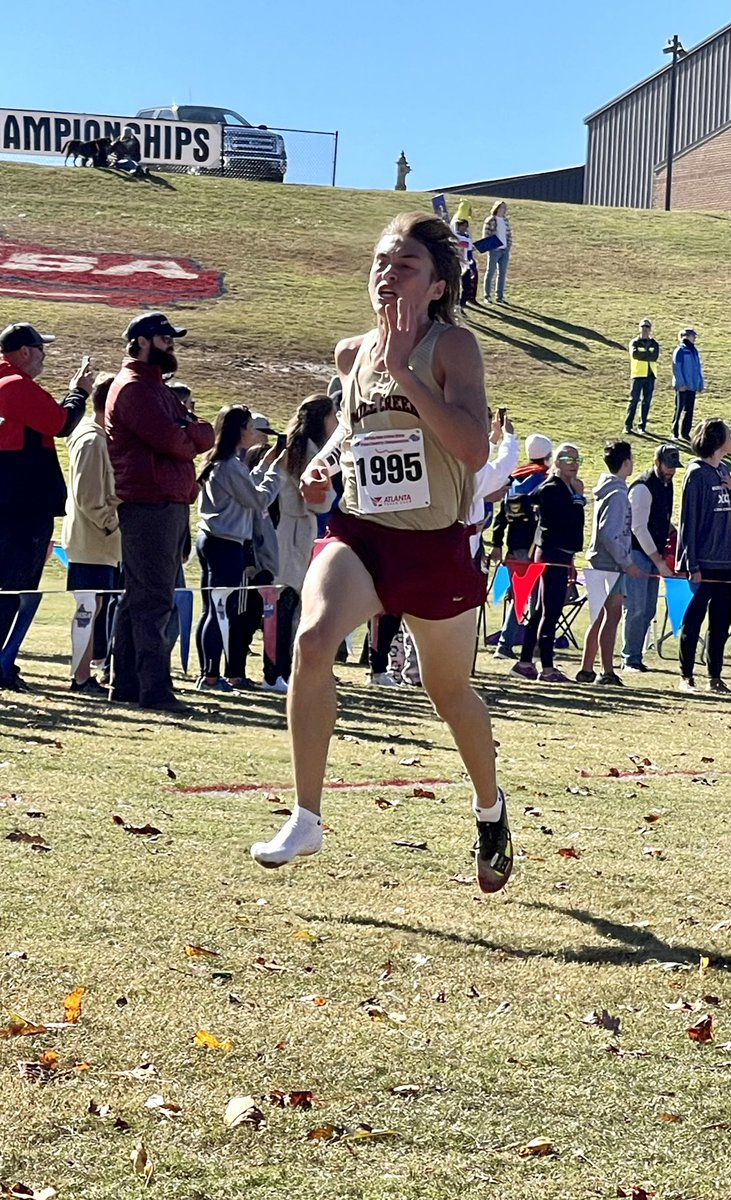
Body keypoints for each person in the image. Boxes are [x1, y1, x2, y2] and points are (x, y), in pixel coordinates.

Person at [250, 211, 512, 896]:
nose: (387, 275)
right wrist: (325, 466)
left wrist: (404, 368)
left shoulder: (452, 346)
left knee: (446, 692)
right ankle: (306, 814)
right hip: (362, 532)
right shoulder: (351, 353)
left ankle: (490, 812)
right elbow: (358, 424)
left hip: (434, 546)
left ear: (435, 286)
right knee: (311, 642)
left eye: (405, 266)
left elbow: (473, 449)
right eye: (380, 262)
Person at [105, 312, 214, 713]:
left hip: (162, 501)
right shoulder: (136, 388)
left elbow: (200, 432)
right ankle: (153, 689)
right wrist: (189, 432)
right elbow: (179, 440)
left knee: (141, 597)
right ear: (144, 340)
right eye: (167, 339)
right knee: (153, 599)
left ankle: (128, 684)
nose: (172, 346)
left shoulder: (152, 387)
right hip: (152, 502)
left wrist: (189, 432)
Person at [0, 322, 92, 691]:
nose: (44, 356)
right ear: (24, 352)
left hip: (12, 504)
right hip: (22, 508)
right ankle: (4, 664)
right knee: (17, 590)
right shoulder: (16, 386)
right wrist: (78, 394)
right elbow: (60, 422)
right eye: (40, 349)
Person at [195, 407, 283, 692]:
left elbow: (243, 489)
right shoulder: (230, 465)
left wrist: (264, 465)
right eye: (250, 427)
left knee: (213, 607)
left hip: (212, 540)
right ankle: (210, 676)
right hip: (226, 544)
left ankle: (209, 672)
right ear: (239, 430)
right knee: (221, 608)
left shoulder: (221, 461)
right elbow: (257, 500)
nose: (254, 433)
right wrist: (275, 475)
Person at [61, 373, 121, 693]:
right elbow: (88, 496)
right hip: (91, 540)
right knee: (88, 607)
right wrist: (112, 523)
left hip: (100, 542)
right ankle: (80, 677)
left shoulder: (97, 436)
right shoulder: (91, 438)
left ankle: (84, 674)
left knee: (94, 606)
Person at [273, 393, 338, 687]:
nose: (336, 422)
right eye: (332, 416)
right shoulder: (311, 454)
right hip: (297, 531)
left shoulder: (291, 447)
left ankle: (283, 668)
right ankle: (279, 670)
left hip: (288, 530)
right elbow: (317, 502)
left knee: (287, 601)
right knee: (288, 602)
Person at [512, 443, 586, 683]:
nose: (573, 463)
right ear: (556, 461)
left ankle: (525, 663)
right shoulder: (552, 487)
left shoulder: (569, 488)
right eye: (567, 458)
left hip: (563, 555)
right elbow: (526, 503)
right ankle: (546, 667)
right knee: (550, 610)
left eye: (577, 459)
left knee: (544, 610)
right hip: (550, 555)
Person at [577, 440, 641, 686]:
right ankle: (605, 670)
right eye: (631, 459)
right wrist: (626, 562)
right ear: (625, 463)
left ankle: (590, 669)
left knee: (601, 617)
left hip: (601, 562)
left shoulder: (609, 490)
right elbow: (609, 533)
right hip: (610, 565)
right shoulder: (617, 494)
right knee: (609, 618)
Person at [676, 418, 731, 694]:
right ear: (717, 440)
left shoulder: (725, 470)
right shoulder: (696, 473)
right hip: (703, 562)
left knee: (721, 623)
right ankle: (686, 675)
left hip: (727, 562)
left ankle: (715, 676)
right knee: (693, 619)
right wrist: (691, 562)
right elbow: (689, 520)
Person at [491, 433, 552, 660]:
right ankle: (528, 645)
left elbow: (501, 516)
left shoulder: (515, 478)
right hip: (535, 547)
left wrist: (497, 543)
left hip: (514, 546)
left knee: (518, 596)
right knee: (536, 599)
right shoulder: (545, 480)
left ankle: (506, 644)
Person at [621, 444, 679, 673]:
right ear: (657, 463)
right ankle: (629, 658)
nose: (671, 471)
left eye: (674, 467)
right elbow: (638, 528)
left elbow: (659, 518)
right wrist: (658, 561)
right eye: (668, 466)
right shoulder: (642, 488)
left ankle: (636, 655)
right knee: (635, 607)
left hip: (653, 554)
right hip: (638, 553)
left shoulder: (666, 484)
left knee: (648, 609)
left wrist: (674, 532)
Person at [624, 318, 660, 434]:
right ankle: (628, 425)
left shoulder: (654, 343)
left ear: (650, 329)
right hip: (638, 375)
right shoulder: (634, 342)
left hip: (650, 375)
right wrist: (647, 355)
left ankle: (642, 426)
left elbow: (654, 356)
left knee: (646, 401)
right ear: (639, 328)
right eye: (643, 327)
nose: (645, 329)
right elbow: (635, 355)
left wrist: (644, 355)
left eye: (647, 327)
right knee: (633, 400)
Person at [672, 328, 704, 440]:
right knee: (679, 409)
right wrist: (681, 383)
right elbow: (677, 368)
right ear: (687, 336)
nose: (695, 338)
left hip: (692, 386)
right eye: (693, 336)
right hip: (683, 386)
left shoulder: (694, 351)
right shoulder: (680, 350)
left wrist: (700, 383)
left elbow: (698, 368)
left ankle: (685, 433)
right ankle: (674, 432)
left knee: (689, 410)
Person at [482, 200, 512, 304]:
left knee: (502, 273)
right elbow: (486, 235)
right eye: (502, 207)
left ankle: (500, 296)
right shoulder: (491, 220)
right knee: (490, 272)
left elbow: (508, 235)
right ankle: (487, 296)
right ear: (497, 208)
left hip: (504, 250)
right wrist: (490, 247)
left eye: (505, 208)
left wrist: (508, 246)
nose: (504, 209)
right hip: (495, 250)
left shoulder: (505, 220)